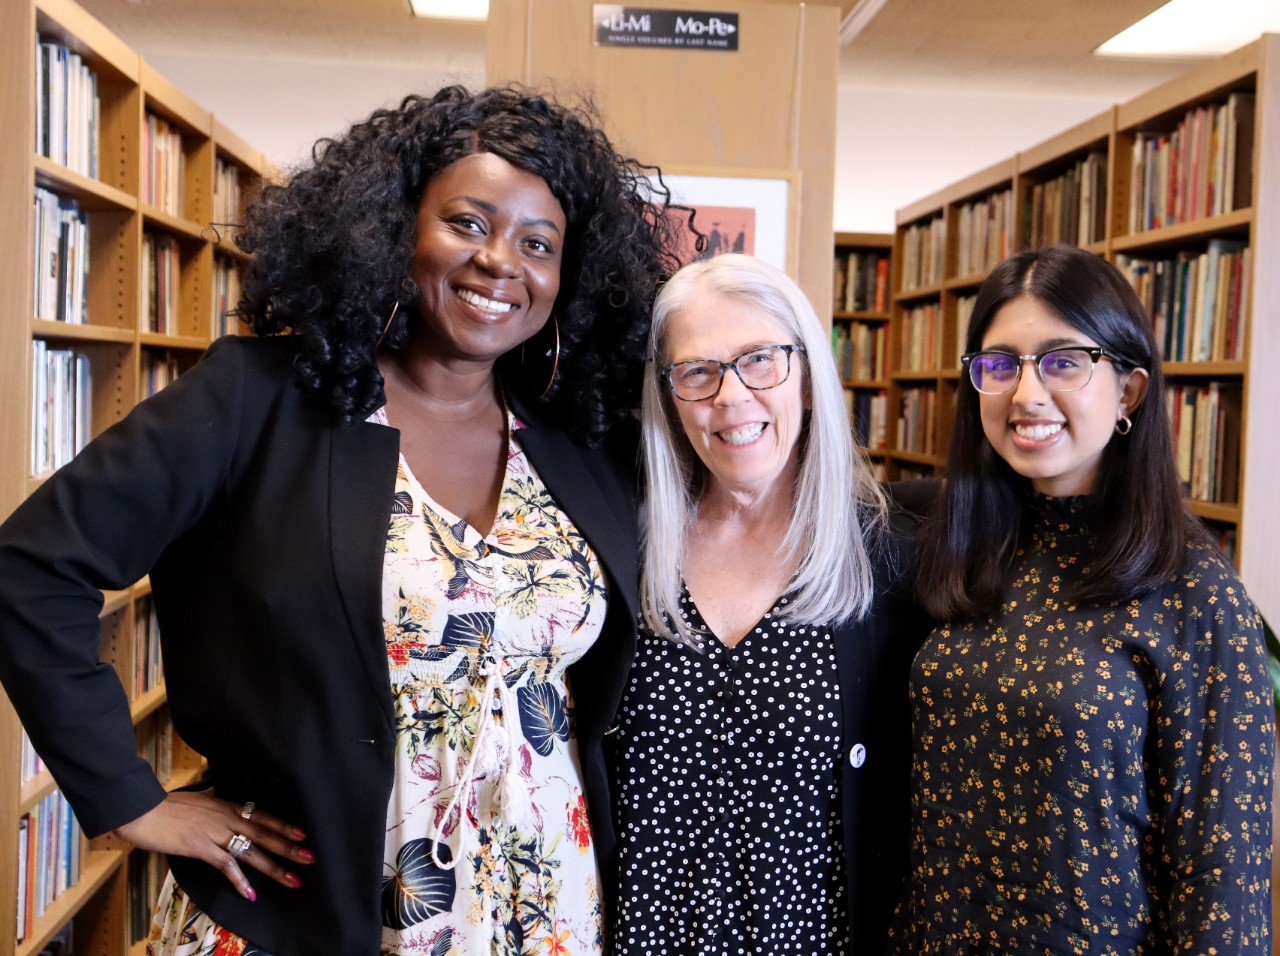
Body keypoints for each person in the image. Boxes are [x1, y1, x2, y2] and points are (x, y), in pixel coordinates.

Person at [0, 85, 685, 956]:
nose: (500, 262)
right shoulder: (259, 399)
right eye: (468, 224)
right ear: (394, 229)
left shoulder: (579, 445)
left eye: (537, 243)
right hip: (307, 912)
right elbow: (31, 568)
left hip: (542, 904)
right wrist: (132, 799)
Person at [888, 243, 1274, 954]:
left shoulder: (1191, 586)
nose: (1027, 394)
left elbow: (1224, 875)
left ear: (1128, 390)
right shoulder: (958, 548)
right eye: (1000, 365)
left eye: (1064, 361)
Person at [606, 253, 931, 954]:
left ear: (808, 379)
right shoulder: (619, 551)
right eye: (698, 372)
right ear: (667, 396)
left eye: (760, 360)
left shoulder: (893, 564)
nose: (731, 396)